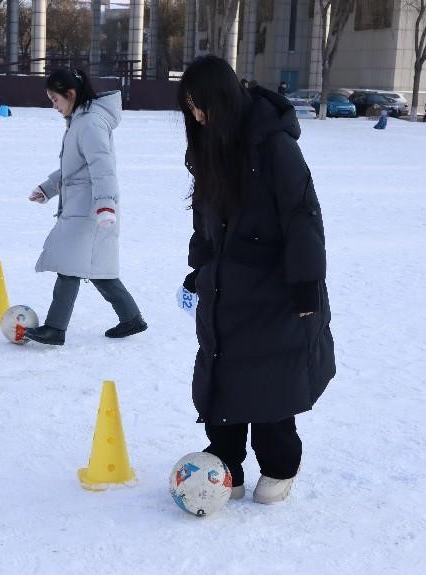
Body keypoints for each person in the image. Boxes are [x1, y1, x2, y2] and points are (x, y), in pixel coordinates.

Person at [178, 55, 335, 504]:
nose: (196, 115)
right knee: (222, 372)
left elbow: (303, 216)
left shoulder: (275, 145)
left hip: (273, 288)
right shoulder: (211, 144)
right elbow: (204, 219)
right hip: (226, 287)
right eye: (189, 107)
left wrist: (306, 285)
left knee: (270, 382)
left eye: (200, 104)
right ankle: (225, 463)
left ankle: (280, 464)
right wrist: (198, 268)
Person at [23, 68, 146, 346]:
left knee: (70, 267)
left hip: (91, 211)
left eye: (55, 100)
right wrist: (48, 188)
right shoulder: (80, 121)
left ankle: (55, 328)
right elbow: (74, 168)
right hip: (82, 208)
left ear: (71, 95)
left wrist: (105, 206)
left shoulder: (90, 124)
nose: (53, 106)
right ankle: (131, 319)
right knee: (96, 269)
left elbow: (102, 168)